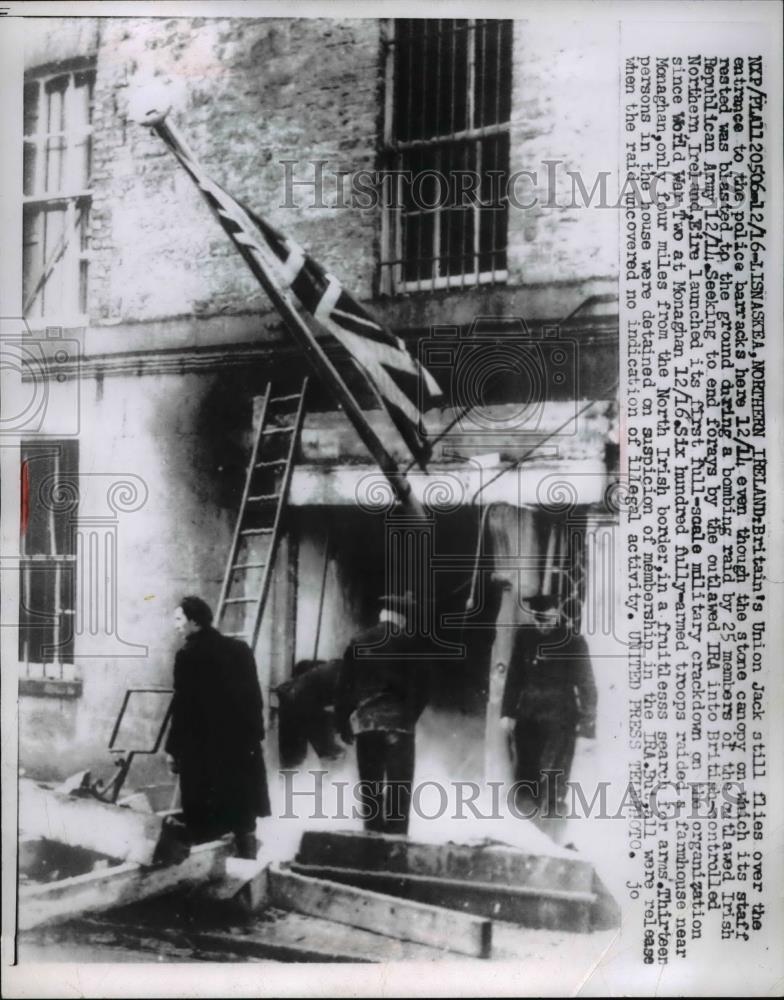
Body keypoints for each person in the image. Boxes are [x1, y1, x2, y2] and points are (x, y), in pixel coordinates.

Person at [165, 595, 271, 858]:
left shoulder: (188, 656)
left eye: (179, 620)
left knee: (205, 815)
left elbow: (183, 707)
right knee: (243, 812)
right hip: (239, 747)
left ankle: (210, 871)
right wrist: (255, 736)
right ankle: (248, 863)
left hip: (203, 751)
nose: (176, 626)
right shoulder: (240, 649)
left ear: (195, 621)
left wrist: (173, 749)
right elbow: (254, 697)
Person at [335, 593, 430, 835]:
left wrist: (343, 723)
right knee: (399, 792)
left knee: (371, 792)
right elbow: (423, 689)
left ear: (382, 616)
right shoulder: (412, 643)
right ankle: (396, 848)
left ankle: (372, 847)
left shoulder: (358, 641)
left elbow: (344, 688)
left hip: (367, 727)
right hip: (400, 728)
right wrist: (408, 716)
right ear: (402, 619)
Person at [500, 594, 597, 818]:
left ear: (556, 615)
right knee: (525, 774)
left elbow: (587, 686)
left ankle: (552, 826)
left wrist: (587, 725)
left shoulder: (573, 640)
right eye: (537, 620)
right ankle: (525, 825)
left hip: (560, 719)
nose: (541, 626)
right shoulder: (525, 636)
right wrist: (507, 712)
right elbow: (514, 676)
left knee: (554, 776)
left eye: (546, 621)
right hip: (528, 717)